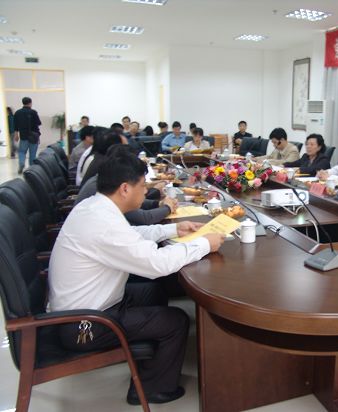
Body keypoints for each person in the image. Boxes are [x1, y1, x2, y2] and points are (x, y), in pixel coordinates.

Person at [49, 146, 225, 405]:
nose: (146, 191)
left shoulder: (95, 207)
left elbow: (130, 237)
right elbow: (156, 264)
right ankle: (153, 388)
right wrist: (204, 244)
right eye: (142, 186)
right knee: (176, 321)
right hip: (83, 324)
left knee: (152, 290)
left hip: (86, 307)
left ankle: (147, 360)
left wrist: (173, 230)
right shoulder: (103, 223)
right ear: (124, 189)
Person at [13, 97, 41, 174]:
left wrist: (16, 134)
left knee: (22, 152)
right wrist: (38, 136)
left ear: (23, 103)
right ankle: (31, 170)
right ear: (30, 103)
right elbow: (38, 124)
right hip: (34, 136)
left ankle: (21, 163)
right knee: (32, 154)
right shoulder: (33, 112)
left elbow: (15, 125)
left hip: (23, 136)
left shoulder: (17, 113)